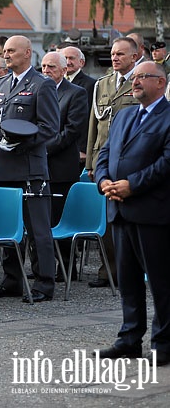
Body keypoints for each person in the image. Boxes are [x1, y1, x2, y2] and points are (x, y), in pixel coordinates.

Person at [95, 61, 170, 366]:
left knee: (162, 282)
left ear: (161, 83)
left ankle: (163, 343)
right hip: (120, 209)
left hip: (153, 212)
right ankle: (128, 340)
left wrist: (132, 185)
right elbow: (104, 152)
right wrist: (103, 181)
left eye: (143, 77)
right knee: (128, 281)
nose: (135, 82)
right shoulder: (125, 115)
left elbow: (167, 163)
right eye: (134, 78)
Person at [0, 35, 60, 303]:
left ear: (28, 53)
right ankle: (12, 280)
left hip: (29, 169)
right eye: (4, 51)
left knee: (38, 230)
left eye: (12, 51)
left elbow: (50, 128)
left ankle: (43, 283)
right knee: (8, 229)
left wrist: (20, 146)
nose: (6, 55)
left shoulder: (42, 85)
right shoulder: (1, 84)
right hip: (2, 168)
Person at [85, 37, 140, 288]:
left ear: (134, 57)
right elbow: (94, 125)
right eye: (113, 53)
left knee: (131, 220)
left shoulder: (141, 83)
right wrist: (90, 163)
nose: (115, 57)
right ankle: (108, 270)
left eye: (120, 54)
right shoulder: (103, 84)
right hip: (103, 161)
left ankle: (133, 271)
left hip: (130, 161)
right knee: (106, 221)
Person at [41, 51, 88, 279]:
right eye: (43, 67)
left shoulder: (75, 94)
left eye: (51, 67)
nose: (46, 71)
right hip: (38, 167)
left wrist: (42, 148)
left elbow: (72, 130)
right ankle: (43, 266)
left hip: (60, 166)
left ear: (64, 70)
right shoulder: (39, 91)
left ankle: (67, 267)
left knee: (60, 220)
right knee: (41, 220)